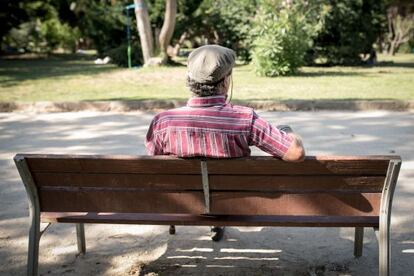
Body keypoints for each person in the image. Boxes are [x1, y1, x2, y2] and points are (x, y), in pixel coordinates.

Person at [145, 45, 305, 241]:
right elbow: (295, 153)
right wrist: (288, 132)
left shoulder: (163, 122)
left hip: (184, 201)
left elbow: (157, 164)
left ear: (189, 79)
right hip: (235, 201)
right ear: (226, 81)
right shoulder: (245, 119)